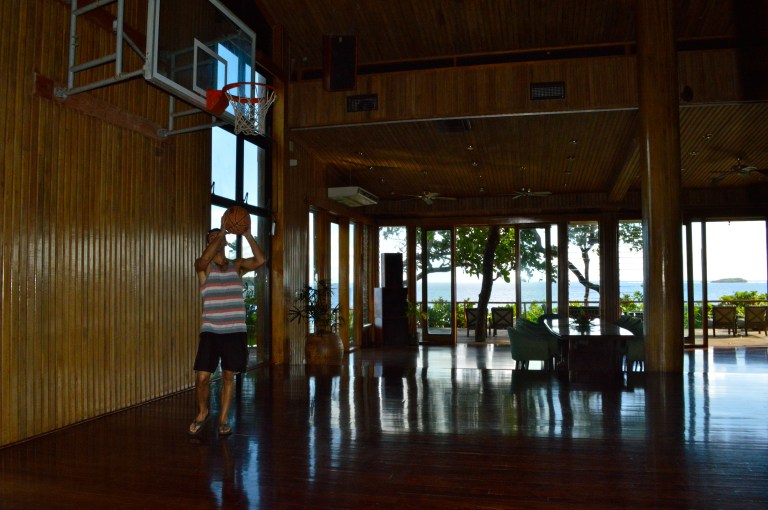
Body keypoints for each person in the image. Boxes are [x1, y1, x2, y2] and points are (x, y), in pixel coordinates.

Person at [188, 221, 266, 436]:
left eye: (218, 238)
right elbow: (204, 258)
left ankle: (223, 418)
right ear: (208, 244)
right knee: (202, 378)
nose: (215, 241)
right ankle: (203, 412)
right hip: (211, 332)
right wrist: (222, 232)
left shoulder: (237, 265)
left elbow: (261, 260)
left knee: (229, 376)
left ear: (224, 242)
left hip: (234, 331)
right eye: (211, 239)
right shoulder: (202, 266)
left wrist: (248, 235)